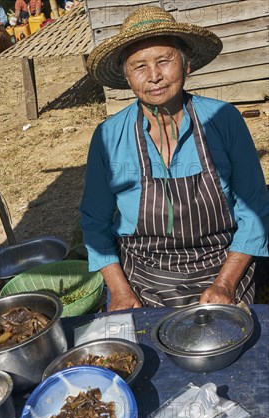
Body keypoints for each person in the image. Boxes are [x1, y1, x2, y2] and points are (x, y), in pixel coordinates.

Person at [81, 5, 269, 311]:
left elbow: (256, 208)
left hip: (223, 269)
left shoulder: (224, 120)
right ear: (126, 77)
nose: (154, 76)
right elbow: (94, 222)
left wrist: (225, 283)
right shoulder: (108, 135)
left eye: (164, 61)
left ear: (187, 64)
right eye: (139, 66)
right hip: (143, 278)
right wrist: (120, 290)